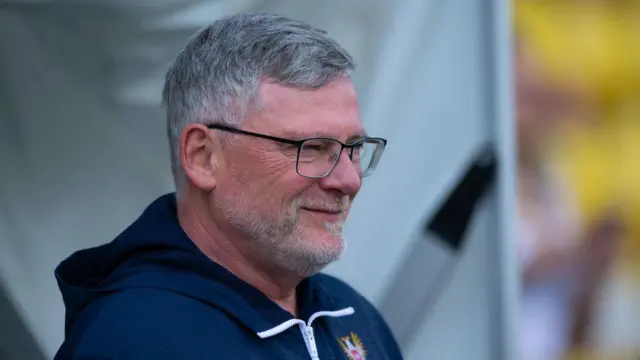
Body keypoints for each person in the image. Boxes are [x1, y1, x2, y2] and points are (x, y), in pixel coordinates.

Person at [53, 13, 402, 360]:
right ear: (203, 156)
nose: (348, 180)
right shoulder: (132, 342)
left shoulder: (356, 319)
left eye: (354, 149)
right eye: (311, 148)